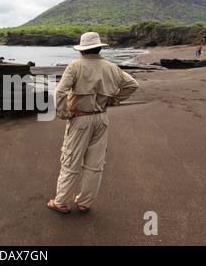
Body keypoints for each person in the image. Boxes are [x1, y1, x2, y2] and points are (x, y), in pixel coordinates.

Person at [47, 32, 139, 214]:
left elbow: (59, 92)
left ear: (82, 51)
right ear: (99, 48)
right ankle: (85, 202)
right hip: (102, 118)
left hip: (80, 118)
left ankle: (62, 202)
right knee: (94, 163)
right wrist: (115, 100)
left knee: (71, 160)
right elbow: (132, 84)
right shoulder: (112, 67)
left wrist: (65, 113)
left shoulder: (75, 66)